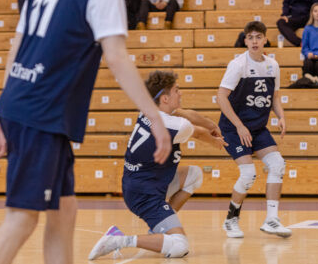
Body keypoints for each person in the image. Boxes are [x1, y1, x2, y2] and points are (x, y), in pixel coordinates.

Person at [0, 0, 172, 264]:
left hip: (28, 106)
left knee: (64, 210)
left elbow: (18, 47)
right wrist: (155, 116)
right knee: (22, 218)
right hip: (41, 112)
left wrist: (4, 113)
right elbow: (117, 58)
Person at [88, 70, 227, 260]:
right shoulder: (173, 125)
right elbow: (198, 132)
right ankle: (118, 240)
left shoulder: (149, 109)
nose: (181, 93)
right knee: (180, 246)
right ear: (165, 98)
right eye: (176, 90)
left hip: (142, 182)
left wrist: (212, 125)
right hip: (144, 194)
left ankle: (158, 229)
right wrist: (216, 142)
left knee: (194, 174)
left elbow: (187, 114)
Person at [217, 21, 291, 239]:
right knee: (249, 173)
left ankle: (272, 220)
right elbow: (221, 97)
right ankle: (231, 219)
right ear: (245, 41)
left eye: (259, 37)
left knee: (277, 164)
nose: (254, 41)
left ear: (265, 39)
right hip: (233, 128)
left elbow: (274, 97)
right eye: (250, 37)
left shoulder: (272, 65)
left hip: (257, 127)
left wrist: (282, 116)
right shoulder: (238, 65)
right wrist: (239, 126)